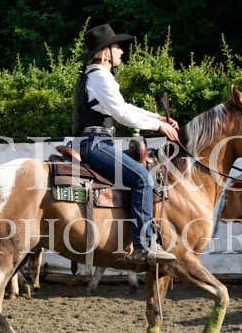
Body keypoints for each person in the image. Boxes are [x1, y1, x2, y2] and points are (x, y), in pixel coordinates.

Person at [72, 23, 180, 263]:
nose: (121, 51)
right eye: (117, 47)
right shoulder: (100, 77)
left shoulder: (94, 75)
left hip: (93, 142)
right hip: (96, 145)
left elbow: (124, 107)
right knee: (143, 178)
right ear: (105, 52)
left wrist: (157, 118)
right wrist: (158, 127)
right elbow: (122, 114)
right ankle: (144, 245)